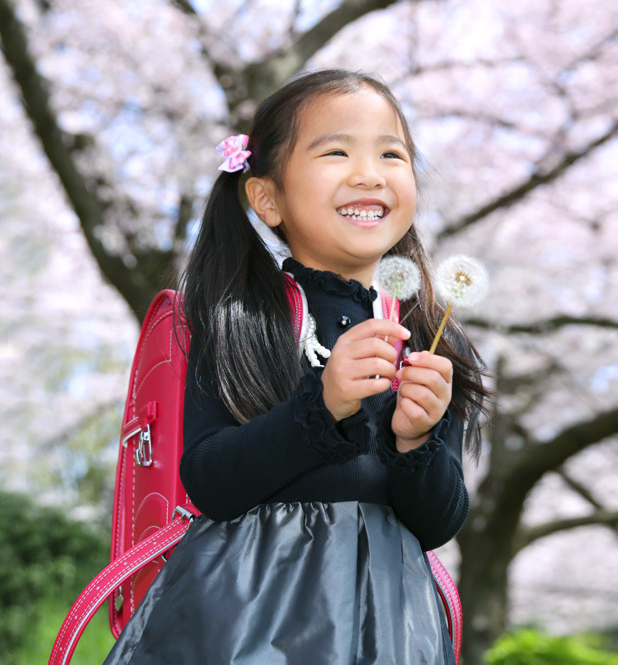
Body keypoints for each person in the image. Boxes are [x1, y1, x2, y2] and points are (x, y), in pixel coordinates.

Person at [103, 69, 488, 664]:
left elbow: (437, 523)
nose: (369, 173)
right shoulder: (230, 317)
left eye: (393, 153)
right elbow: (209, 479)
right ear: (267, 197)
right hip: (244, 615)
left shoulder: (433, 337)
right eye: (336, 151)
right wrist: (323, 406)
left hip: (387, 623)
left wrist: (416, 442)